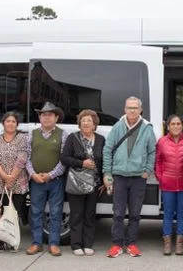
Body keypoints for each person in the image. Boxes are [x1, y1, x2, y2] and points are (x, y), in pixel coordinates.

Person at [102, 96, 157, 258]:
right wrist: (107, 172)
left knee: (135, 214)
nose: (132, 110)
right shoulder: (117, 127)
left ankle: (131, 244)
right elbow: (107, 149)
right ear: (124, 109)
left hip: (138, 177)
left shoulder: (147, 128)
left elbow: (152, 151)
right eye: (129, 107)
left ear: (140, 110)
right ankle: (117, 244)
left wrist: (148, 169)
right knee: (118, 213)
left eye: (135, 108)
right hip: (119, 176)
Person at [25, 101, 69, 256]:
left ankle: (54, 243)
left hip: (55, 181)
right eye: (44, 115)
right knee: (36, 212)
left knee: (56, 212)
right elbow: (27, 158)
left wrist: (51, 175)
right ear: (40, 117)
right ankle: (36, 243)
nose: (47, 118)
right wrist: (33, 174)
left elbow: (63, 160)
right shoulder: (32, 134)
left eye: (50, 115)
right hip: (36, 181)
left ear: (56, 118)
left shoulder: (63, 134)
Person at [60, 109, 105, 257]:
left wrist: (105, 179)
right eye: (83, 120)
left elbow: (104, 160)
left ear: (94, 124)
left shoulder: (100, 139)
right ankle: (76, 244)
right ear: (79, 124)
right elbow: (64, 158)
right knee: (77, 214)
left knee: (90, 214)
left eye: (89, 121)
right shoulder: (73, 138)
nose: (86, 123)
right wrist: (82, 163)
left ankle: (87, 244)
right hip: (76, 182)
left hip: (94, 183)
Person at [0, 111, 29, 251]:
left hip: (18, 182)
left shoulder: (22, 139)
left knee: (13, 212)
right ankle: (1, 242)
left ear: (17, 124)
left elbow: (22, 159)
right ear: (3, 123)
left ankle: (12, 241)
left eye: (13, 121)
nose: (11, 124)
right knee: (1, 211)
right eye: (8, 121)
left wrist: (11, 177)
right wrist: (4, 177)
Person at [155, 114, 183, 256]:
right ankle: (167, 242)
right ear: (168, 126)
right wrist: (161, 177)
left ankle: (180, 242)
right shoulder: (162, 142)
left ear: (182, 126)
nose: (176, 126)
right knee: (168, 214)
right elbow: (158, 162)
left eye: (178, 124)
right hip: (167, 184)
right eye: (173, 124)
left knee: (182, 214)